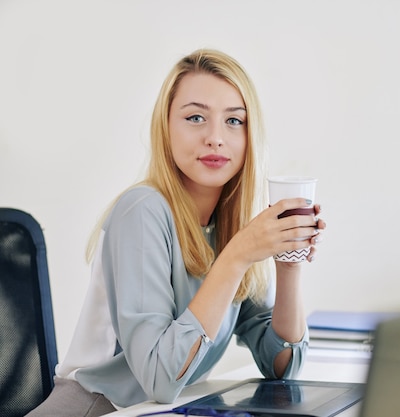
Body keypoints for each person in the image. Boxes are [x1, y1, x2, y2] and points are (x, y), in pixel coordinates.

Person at [27, 48, 324, 417]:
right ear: (165, 127)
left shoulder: (230, 224)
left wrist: (288, 261)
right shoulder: (142, 211)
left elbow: (283, 366)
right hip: (98, 408)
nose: (216, 138)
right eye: (196, 117)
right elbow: (160, 378)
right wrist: (236, 257)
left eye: (234, 121)